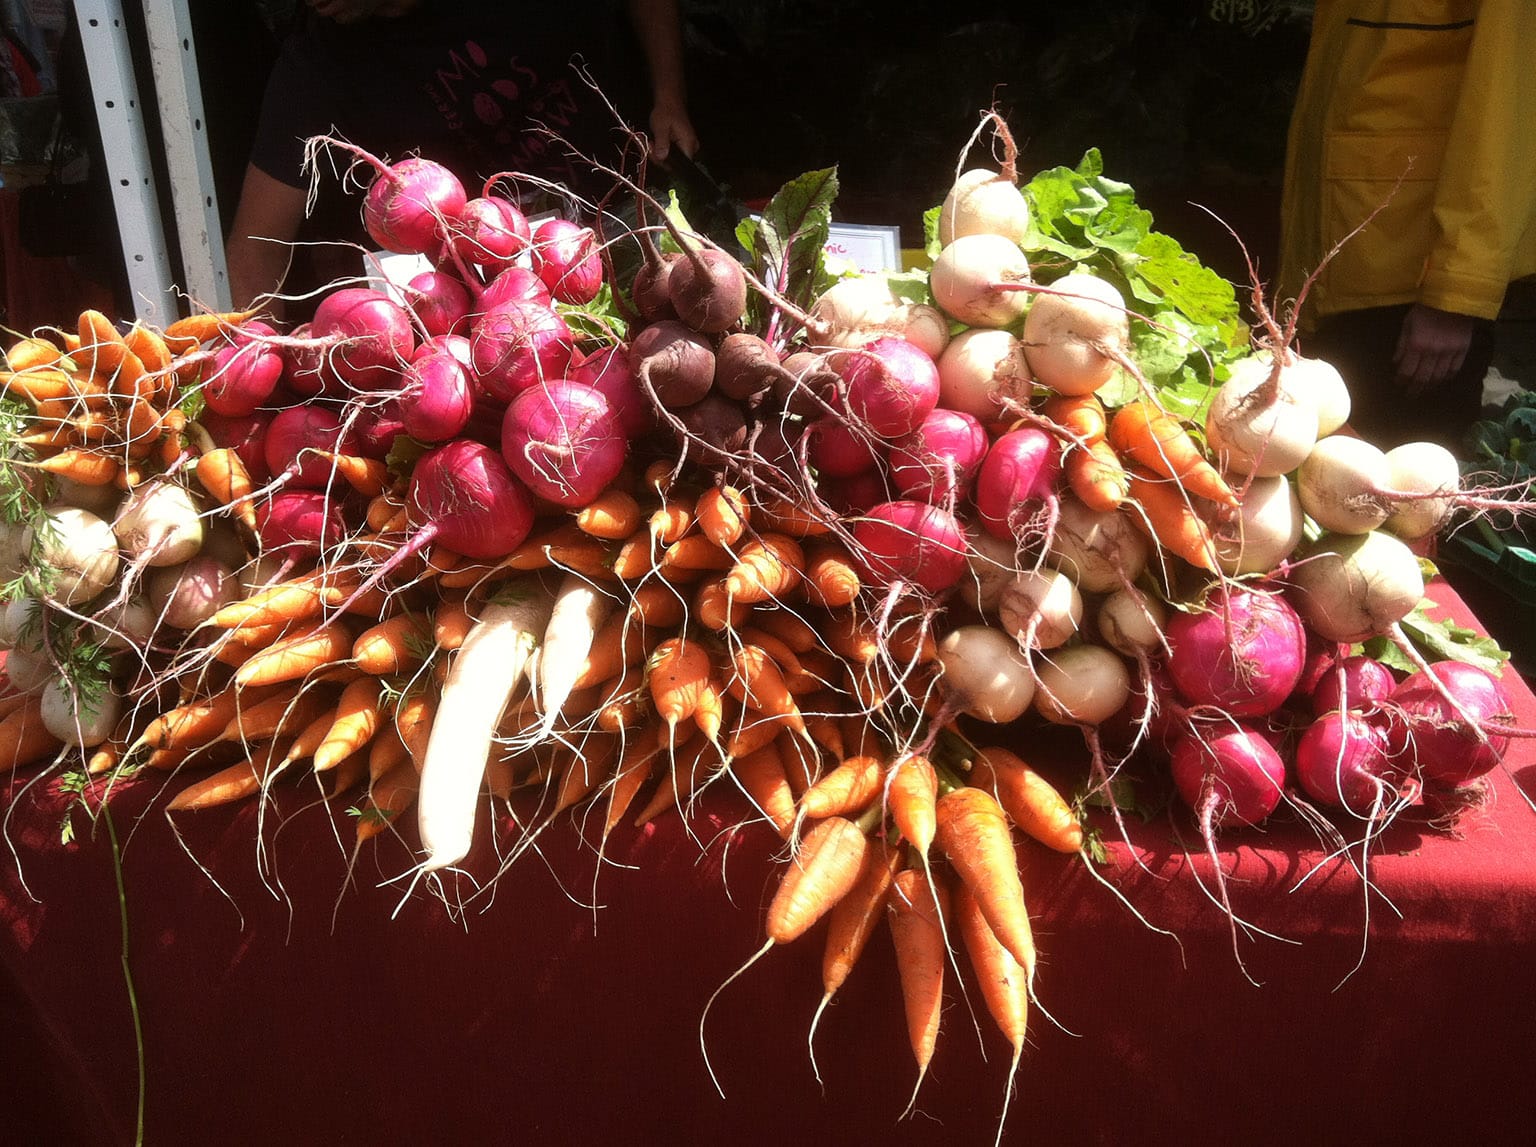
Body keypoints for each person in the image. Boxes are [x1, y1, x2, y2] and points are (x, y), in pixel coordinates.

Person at [226, 0, 697, 315]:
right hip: (506, 285)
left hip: (639, 206)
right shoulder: (315, 65)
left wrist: (670, 95)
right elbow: (256, 250)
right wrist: (252, 366)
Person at [1276, 1, 1536, 450]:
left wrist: (1455, 295)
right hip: (1350, 255)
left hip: (1414, 287)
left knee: (1401, 480)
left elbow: (1505, 112)